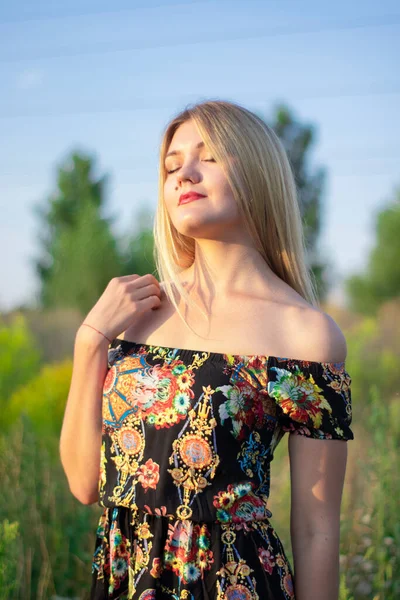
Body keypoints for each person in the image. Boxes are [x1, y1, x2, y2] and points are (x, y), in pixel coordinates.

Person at [60, 99, 354, 600]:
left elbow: (316, 530)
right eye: (171, 166)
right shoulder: (136, 311)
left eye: (208, 156)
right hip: (126, 581)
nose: (183, 174)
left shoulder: (307, 336)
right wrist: (90, 344)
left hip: (232, 585)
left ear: (258, 171)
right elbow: (87, 485)